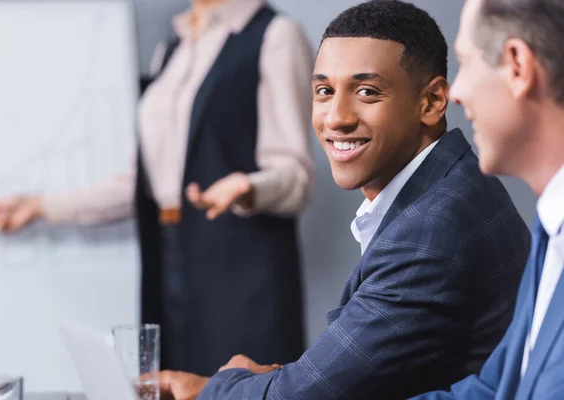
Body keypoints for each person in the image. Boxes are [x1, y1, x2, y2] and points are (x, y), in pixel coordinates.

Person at [151, 2, 531, 399]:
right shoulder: (451, 186)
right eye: (324, 91)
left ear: (432, 102)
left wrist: (220, 385)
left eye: (366, 91)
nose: (336, 118)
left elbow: (300, 397)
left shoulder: (430, 231)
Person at [0, 0, 314, 375]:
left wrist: (247, 187)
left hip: (241, 271)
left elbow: (296, 176)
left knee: (239, 388)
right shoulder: (173, 45)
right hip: (169, 262)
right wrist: (40, 207)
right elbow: (141, 183)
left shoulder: (275, 35)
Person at [411, 0, 564, 399]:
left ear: (517, 66)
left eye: (465, 61)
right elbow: (492, 388)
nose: (455, 92)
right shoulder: (551, 230)